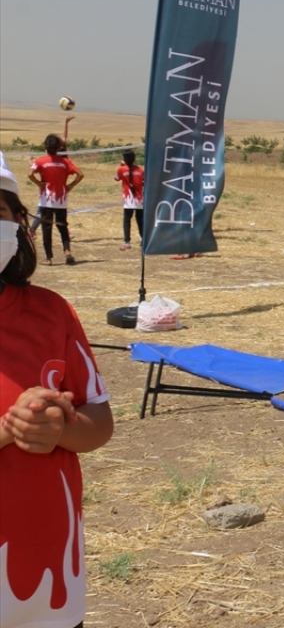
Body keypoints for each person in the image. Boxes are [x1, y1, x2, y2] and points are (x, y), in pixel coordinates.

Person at [0, 150, 114, 628]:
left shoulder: (51, 312)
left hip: (47, 575)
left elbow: (99, 422)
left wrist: (60, 428)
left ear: (17, 223)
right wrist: (11, 429)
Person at [27, 134, 83, 265]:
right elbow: (80, 174)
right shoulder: (65, 162)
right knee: (62, 226)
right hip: (61, 200)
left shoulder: (40, 161)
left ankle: (49, 258)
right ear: (59, 147)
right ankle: (67, 252)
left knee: (46, 228)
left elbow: (30, 174)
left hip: (46, 200)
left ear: (45, 146)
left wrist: (38, 183)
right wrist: (70, 185)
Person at [114, 149, 145, 250]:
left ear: (125, 159)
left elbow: (116, 178)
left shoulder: (122, 169)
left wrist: (121, 165)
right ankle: (144, 240)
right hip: (140, 199)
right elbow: (144, 182)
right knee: (140, 220)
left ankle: (127, 242)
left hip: (128, 199)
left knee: (127, 221)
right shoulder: (140, 170)